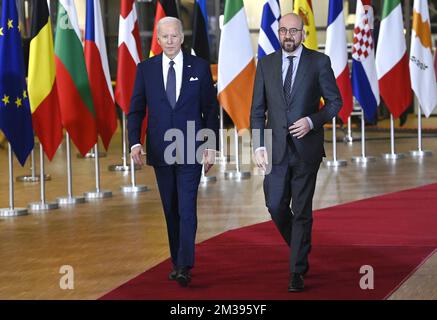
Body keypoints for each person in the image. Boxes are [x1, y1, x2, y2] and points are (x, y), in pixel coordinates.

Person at [250, 13, 342, 292]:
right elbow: (257, 110)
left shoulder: (319, 62)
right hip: (275, 150)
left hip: (306, 149)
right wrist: (258, 144)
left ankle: (296, 271)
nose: (288, 36)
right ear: (278, 34)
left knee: (301, 210)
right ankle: (300, 245)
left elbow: (335, 102)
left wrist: (312, 120)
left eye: (293, 31)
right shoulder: (265, 64)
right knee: (275, 204)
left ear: (303, 33)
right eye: (283, 31)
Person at [128, 17, 219, 287]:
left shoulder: (200, 68)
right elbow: (136, 110)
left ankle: (184, 265)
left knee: (187, 207)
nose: (169, 41)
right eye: (164, 37)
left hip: (191, 147)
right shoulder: (145, 70)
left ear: (182, 38)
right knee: (171, 209)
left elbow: (211, 111)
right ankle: (177, 260)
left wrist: (211, 145)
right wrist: (135, 142)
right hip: (160, 149)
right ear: (157, 40)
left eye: (174, 36)